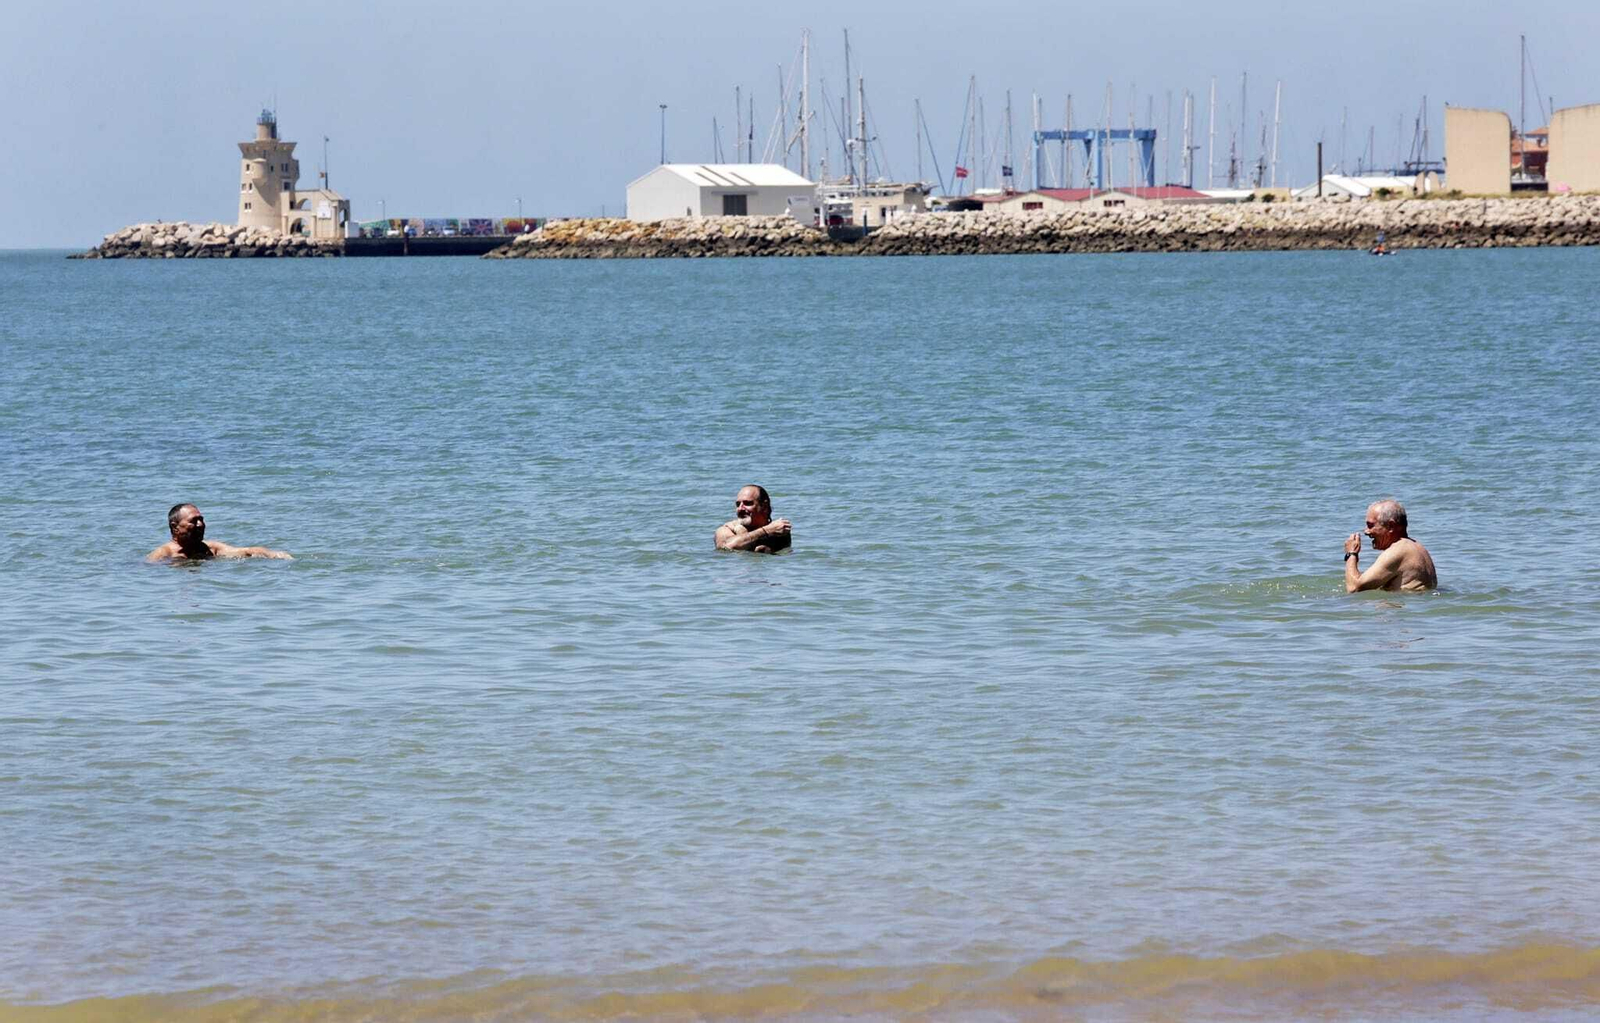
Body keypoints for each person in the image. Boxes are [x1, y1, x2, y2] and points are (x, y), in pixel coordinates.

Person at [146, 503, 293, 562]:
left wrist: (273, 554)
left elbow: (246, 551)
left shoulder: (210, 548)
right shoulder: (163, 554)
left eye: (201, 519)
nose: (201, 524)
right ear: (175, 527)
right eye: (194, 521)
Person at [1344, 499, 1435, 592]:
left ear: (1391, 526)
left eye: (1370, 525)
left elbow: (1353, 588)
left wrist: (1352, 554)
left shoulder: (1398, 551)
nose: (1366, 531)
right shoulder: (1418, 547)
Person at [714, 485, 791, 554]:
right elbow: (727, 547)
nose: (740, 509)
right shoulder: (726, 529)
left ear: (764, 506)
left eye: (747, 503)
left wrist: (770, 553)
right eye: (738, 505)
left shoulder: (778, 532)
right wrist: (766, 530)